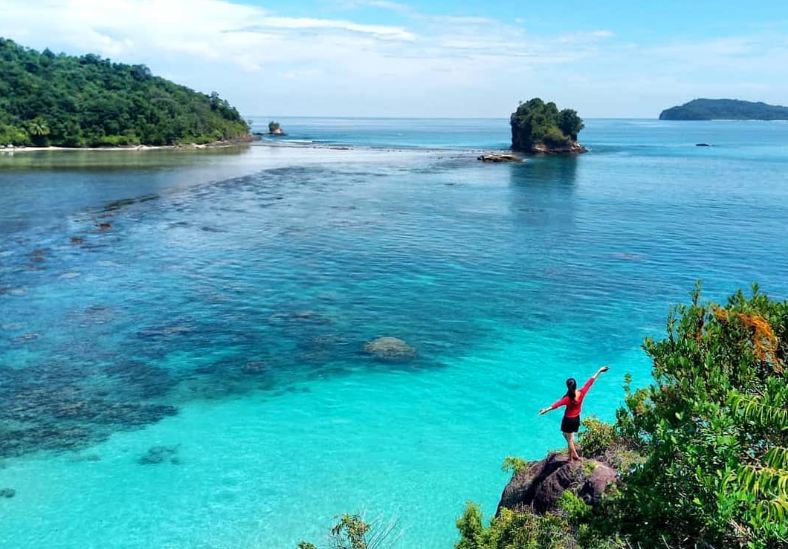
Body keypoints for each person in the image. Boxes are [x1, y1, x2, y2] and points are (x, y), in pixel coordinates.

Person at [539, 366, 609, 460]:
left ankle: (575, 455)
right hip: (576, 419)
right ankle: (570, 457)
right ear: (576, 385)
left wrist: (545, 410)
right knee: (569, 437)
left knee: (569, 438)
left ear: (567, 387)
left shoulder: (568, 398)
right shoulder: (582, 392)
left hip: (568, 420)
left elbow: (556, 405)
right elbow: (590, 382)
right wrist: (599, 371)